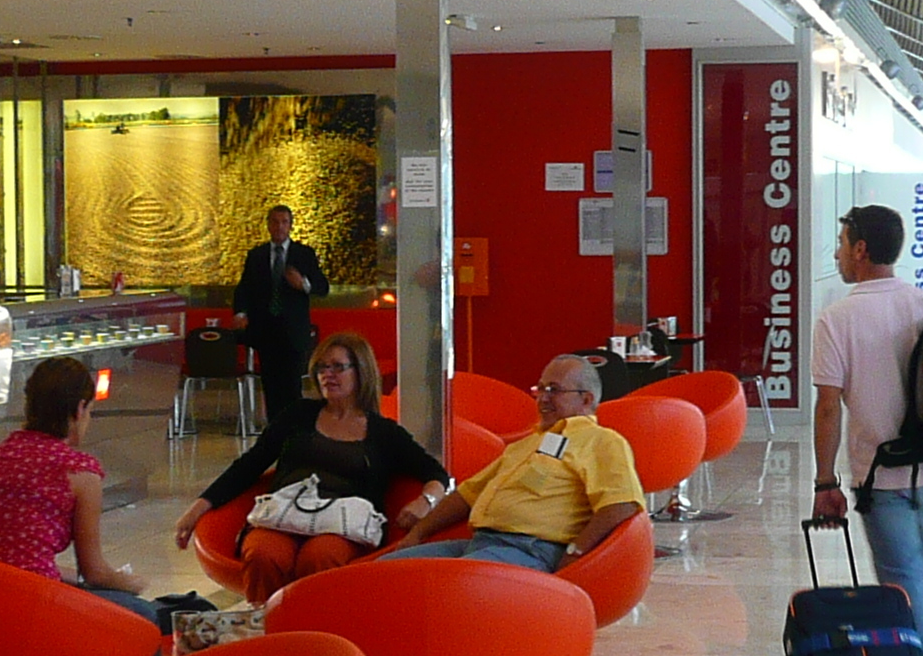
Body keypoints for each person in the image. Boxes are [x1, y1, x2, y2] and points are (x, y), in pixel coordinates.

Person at [813, 204, 923, 656]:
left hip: (885, 481)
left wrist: (824, 483)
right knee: (912, 579)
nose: (836, 253)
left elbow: (829, 407)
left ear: (860, 250)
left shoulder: (837, 318)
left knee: (905, 592)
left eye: (842, 241)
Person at [172, 331, 446, 603]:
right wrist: (197, 508)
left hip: (342, 524)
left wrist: (426, 502)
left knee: (320, 557)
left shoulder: (383, 432)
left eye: (338, 367)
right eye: (321, 368)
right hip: (284, 515)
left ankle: (316, 634)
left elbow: (436, 474)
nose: (328, 374)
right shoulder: (298, 415)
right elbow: (248, 465)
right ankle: (268, 631)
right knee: (263, 554)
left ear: (360, 371)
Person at [383, 354, 643, 571]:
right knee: (383, 572)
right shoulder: (528, 444)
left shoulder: (601, 441)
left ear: (586, 400)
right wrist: (418, 533)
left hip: (531, 550)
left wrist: (576, 553)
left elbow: (620, 505)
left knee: (449, 584)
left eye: (554, 390)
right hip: (479, 543)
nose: (542, 398)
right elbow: (466, 496)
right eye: (540, 389)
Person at [0, 356, 161, 625]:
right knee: (143, 615)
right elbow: (95, 573)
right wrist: (129, 582)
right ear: (79, 409)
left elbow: (13, 556)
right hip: (30, 604)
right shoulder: (79, 472)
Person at [229, 204, 325, 426]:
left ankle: (295, 432)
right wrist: (241, 312)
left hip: (293, 332)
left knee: (291, 386)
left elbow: (323, 287)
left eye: (284, 222)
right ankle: (275, 432)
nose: (279, 227)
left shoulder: (304, 254)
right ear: (268, 225)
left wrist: (303, 284)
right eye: (275, 222)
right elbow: (244, 289)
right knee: (271, 387)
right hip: (265, 332)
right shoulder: (257, 255)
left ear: (290, 226)